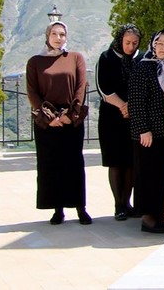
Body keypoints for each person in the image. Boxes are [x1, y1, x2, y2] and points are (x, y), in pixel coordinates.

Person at [27, 21, 91, 225]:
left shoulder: (75, 58)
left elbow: (81, 87)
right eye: (54, 34)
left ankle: (81, 208)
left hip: (71, 118)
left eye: (62, 34)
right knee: (51, 165)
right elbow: (32, 91)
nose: (58, 38)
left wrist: (69, 115)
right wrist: (50, 118)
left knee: (74, 164)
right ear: (47, 36)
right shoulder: (35, 62)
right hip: (47, 121)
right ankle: (57, 210)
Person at [128, 30, 164, 233]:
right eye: (160, 43)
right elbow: (136, 102)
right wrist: (143, 130)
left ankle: (162, 215)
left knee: (162, 176)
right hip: (148, 134)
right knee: (147, 174)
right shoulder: (142, 68)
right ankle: (148, 218)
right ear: (153, 45)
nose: (163, 47)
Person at [96, 23, 141, 221]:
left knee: (131, 161)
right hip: (112, 117)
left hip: (133, 118)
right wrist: (123, 105)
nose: (130, 46)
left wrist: (132, 106)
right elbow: (102, 87)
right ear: (120, 40)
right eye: (127, 42)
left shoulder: (140, 59)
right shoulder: (106, 58)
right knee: (116, 162)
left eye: (134, 43)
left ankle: (127, 202)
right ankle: (118, 204)